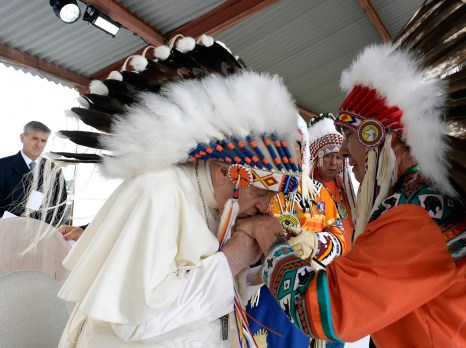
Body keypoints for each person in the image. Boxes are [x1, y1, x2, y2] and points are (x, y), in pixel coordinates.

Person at [233, 0, 466, 345]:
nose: (342, 151)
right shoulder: (436, 194)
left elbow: (324, 311)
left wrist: (271, 238)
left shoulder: (421, 213)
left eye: (349, 136)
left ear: (381, 138)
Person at [49, 35, 306, 347]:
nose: (267, 208)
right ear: (227, 172)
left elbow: (217, 294)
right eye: (261, 194)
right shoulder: (159, 192)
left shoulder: (218, 200)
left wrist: (254, 260)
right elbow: (133, 322)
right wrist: (234, 257)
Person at [246, 118, 346, 348]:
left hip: (309, 288)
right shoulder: (254, 188)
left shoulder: (320, 193)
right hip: (263, 291)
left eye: (296, 144)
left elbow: (339, 239)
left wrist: (316, 242)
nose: (288, 152)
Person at [0, 121, 67, 225]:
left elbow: (60, 206)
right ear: (22, 138)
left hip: (42, 234)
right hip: (8, 232)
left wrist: (49, 230)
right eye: (35, 138)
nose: (39, 144)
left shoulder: (55, 170)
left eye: (43, 140)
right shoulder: (2, 166)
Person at [308, 113, 356, 246]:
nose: (333, 163)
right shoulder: (307, 190)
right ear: (318, 158)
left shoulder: (347, 191)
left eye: (339, 157)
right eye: (328, 156)